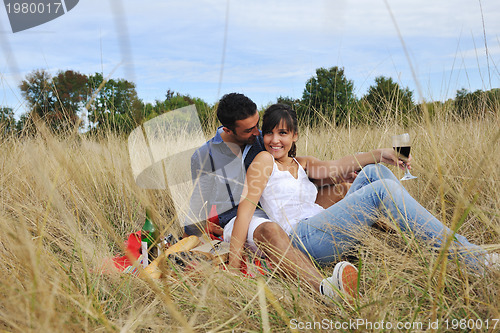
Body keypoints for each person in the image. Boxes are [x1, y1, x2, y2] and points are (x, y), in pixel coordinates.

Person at [228, 103, 497, 279]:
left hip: (322, 227)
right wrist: (233, 262)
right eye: (270, 133)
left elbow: (339, 165)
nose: (275, 140)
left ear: (295, 136)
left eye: (283, 133)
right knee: (381, 191)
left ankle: (430, 240)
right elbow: (246, 209)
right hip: (300, 239)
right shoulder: (264, 162)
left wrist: (381, 154)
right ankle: (474, 259)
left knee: (374, 173)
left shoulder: (303, 163)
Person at [186, 93, 358, 301]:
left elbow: (289, 173)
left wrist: (335, 177)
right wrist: (200, 231)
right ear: (228, 129)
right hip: (243, 219)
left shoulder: (262, 139)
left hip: (280, 209)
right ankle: (325, 290)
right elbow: (198, 203)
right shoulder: (205, 157)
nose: (258, 133)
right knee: (270, 229)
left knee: (345, 189)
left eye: (258, 125)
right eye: (249, 130)